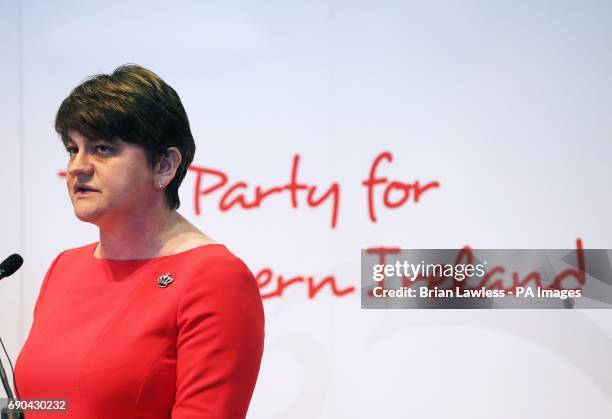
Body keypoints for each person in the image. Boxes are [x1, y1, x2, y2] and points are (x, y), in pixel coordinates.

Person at [14, 65, 265, 418]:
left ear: (164, 165)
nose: (77, 167)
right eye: (73, 149)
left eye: (102, 149)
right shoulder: (65, 267)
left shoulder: (214, 278)